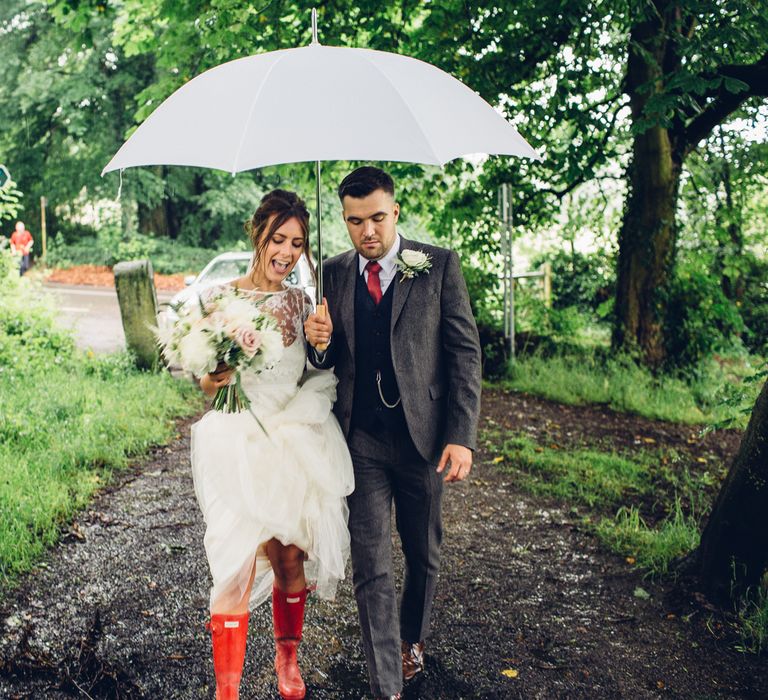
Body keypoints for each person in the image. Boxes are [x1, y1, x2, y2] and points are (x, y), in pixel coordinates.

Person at [304, 166, 482, 700]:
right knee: (372, 564)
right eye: (355, 222)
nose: (368, 232)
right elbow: (328, 360)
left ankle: (412, 640)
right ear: (344, 220)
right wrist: (318, 342)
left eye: (377, 218)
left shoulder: (437, 265)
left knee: (425, 553)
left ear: (395, 211)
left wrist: (461, 434)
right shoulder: (331, 275)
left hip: (423, 441)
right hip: (361, 443)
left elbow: (464, 354)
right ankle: (387, 684)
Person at [191, 189, 354, 700]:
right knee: (234, 563)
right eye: (277, 238)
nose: (287, 251)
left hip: (290, 438)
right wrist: (218, 374)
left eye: (298, 243)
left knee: (288, 560)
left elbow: (318, 369)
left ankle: (287, 660)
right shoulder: (219, 298)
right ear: (257, 233)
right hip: (237, 440)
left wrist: (323, 343)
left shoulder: (306, 302)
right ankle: (228, 689)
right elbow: (207, 385)